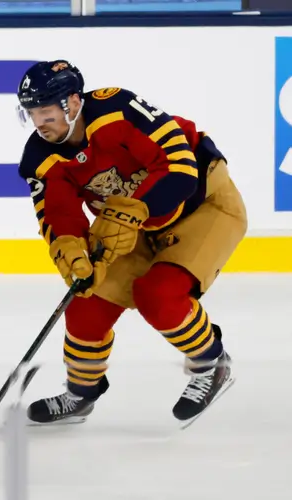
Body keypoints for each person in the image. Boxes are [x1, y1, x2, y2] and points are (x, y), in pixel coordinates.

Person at [15, 60, 246, 425]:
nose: (39, 123)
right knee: (86, 299)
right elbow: (58, 216)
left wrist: (138, 208)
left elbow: (181, 168)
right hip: (133, 224)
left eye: (46, 113)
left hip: (203, 206)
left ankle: (211, 365)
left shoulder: (117, 109)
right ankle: (81, 393)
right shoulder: (39, 158)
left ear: (73, 103)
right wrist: (71, 250)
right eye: (32, 114)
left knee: (159, 295)